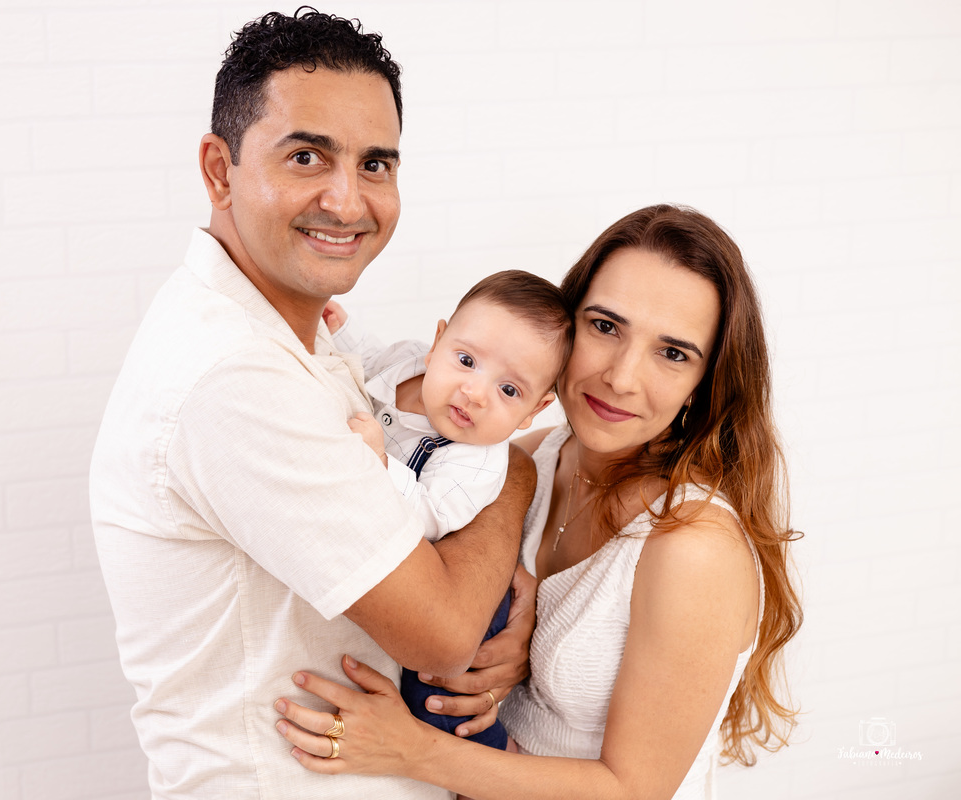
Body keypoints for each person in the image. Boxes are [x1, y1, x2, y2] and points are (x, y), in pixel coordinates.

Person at [88, 9, 536, 799]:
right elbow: (441, 635)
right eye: (306, 157)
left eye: (376, 165)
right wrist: (514, 479)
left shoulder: (300, 332)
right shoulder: (234, 376)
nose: (347, 200)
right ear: (220, 171)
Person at [274, 204, 804, 800]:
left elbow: (632, 791)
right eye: (605, 326)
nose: (622, 377)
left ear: (702, 386)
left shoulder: (692, 547)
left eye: (673, 353)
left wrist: (413, 751)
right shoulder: (527, 459)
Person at [325, 270, 569, 749]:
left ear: (534, 411)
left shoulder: (476, 459)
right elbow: (369, 356)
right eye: (466, 360)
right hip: (412, 579)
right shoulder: (406, 363)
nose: (475, 393)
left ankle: (482, 752)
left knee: (440, 697)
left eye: (509, 391)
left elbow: (428, 517)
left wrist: (379, 463)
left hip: (466, 588)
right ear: (436, 344)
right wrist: (340, 327)